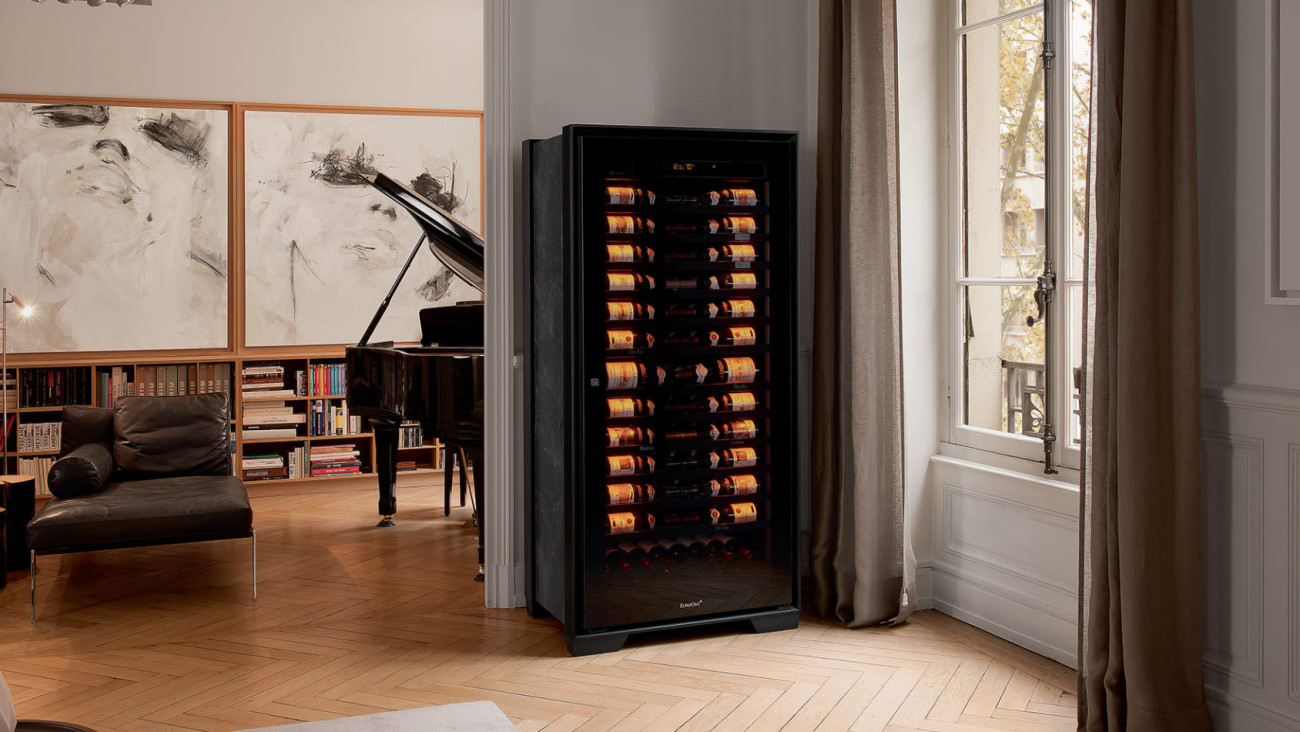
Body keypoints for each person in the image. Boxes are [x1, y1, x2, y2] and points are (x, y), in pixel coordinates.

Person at [0, 102, 229, 353]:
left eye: (166, 134)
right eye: (71, 116)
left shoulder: (220, 309)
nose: (112, 145)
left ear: (200, 191)